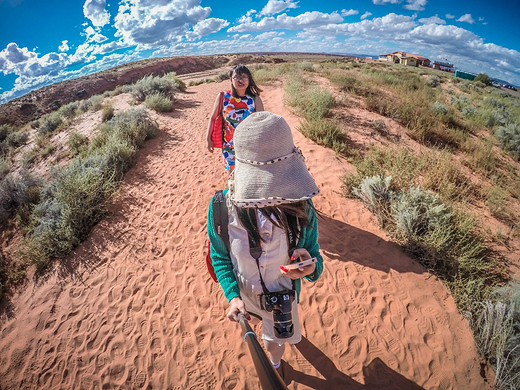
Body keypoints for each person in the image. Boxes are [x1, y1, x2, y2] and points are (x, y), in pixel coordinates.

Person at [207, 111, 323, 377]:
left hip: (284, 298)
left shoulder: (302, 205)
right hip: (244, 296)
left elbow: (314, 255)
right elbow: (220, 256)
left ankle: (275, 366)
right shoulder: (220, 209)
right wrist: (233, 296)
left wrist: (309, 267)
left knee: (273, 344)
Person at [206, 64, 264, 171]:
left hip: (250, 146)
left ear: (249, 79)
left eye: (243, 77)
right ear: (231, 80)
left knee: (250, 174)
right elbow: (213, 118)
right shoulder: (223, 97)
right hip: (229, 146)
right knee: (232, 176)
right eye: (236, 77)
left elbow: (262, 124)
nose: (240, 80)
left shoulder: (255, 99)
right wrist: (208, 139)